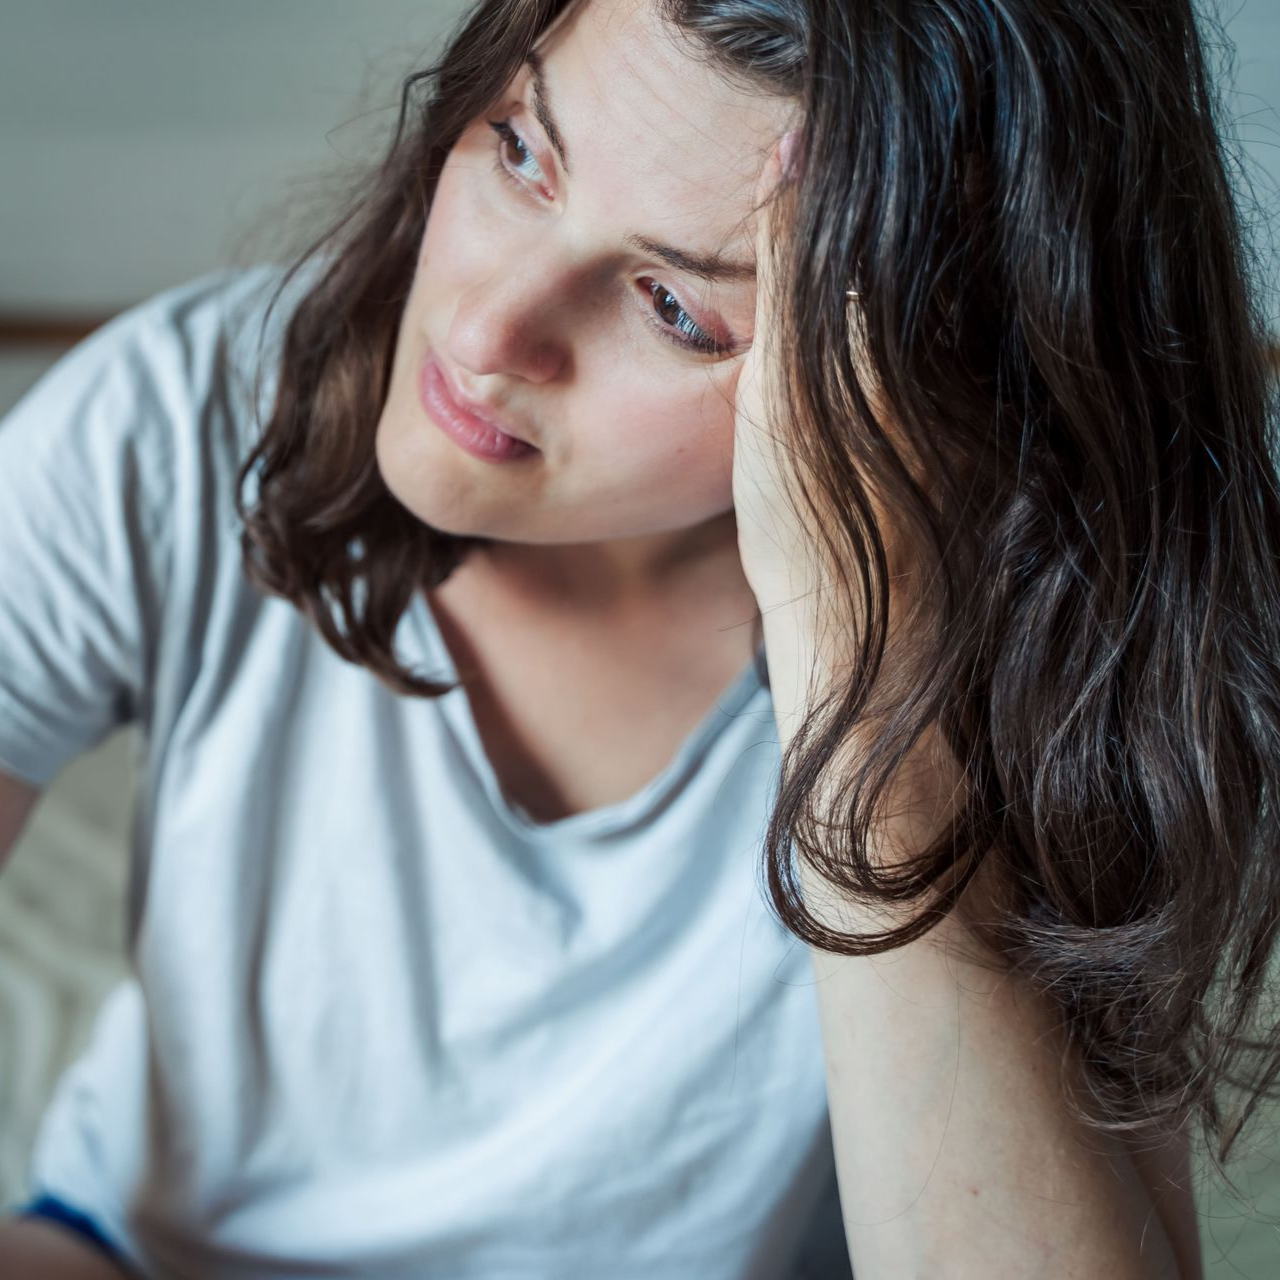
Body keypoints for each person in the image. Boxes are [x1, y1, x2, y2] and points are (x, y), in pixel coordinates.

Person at [0, 0, 1274, 1274]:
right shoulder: (184, 413)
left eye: (672, 307)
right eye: (519, 150)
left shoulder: (1030, 662)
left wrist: (859, 649)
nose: (484, 333)